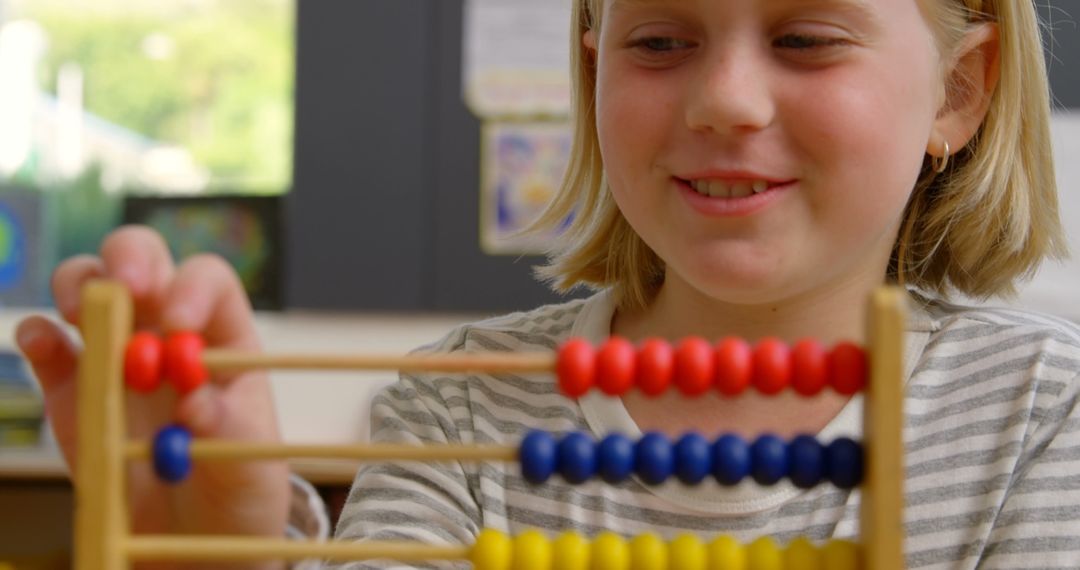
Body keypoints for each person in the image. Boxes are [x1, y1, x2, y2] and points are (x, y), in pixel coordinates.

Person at [15, 0, 1080, 568]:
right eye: (659, 40)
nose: (726, 99)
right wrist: (221, 565)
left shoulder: (1041, 415)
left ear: (958, 90)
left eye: (806, 38)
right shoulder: (463, 401)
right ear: (592, 65)